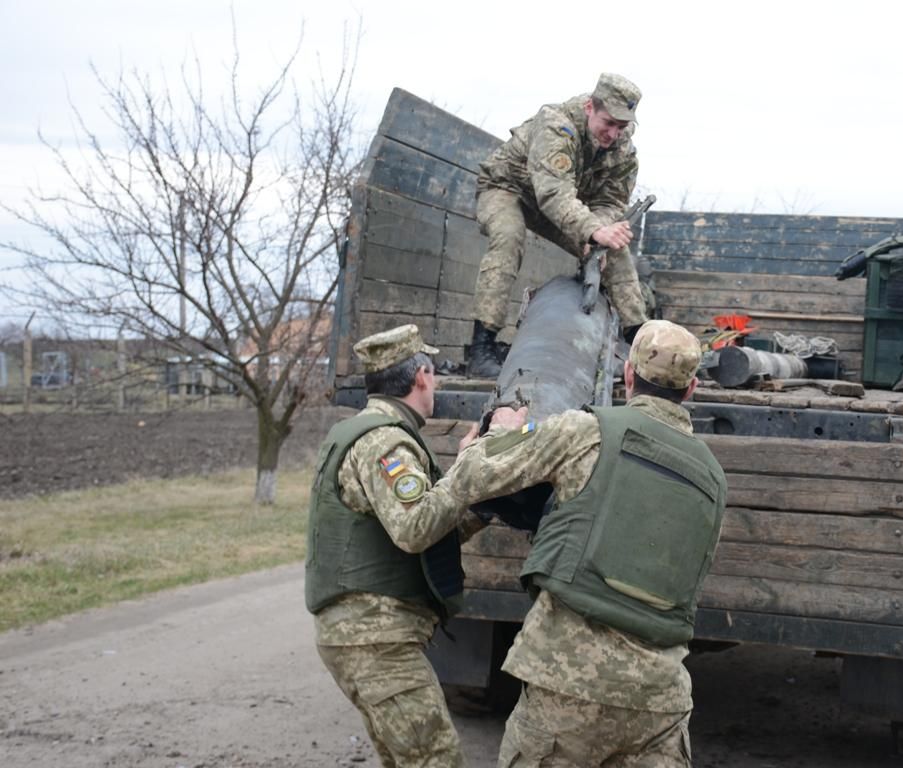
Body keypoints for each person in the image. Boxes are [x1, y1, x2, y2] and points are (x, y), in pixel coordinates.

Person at [428, 319, 728, 766]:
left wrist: (498, 431)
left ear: (628, 374)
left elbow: (474, 478)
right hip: (660, 702)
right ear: (692, 388)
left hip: (565, 688)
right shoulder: (713, 478)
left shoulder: (586, 431)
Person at [304, 324, 484, 768]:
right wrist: (468, 470)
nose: (437, 383)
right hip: (376, 640)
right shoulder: (385, 441)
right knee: (436, 761)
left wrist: (480, 502)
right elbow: (415, 528)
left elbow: (426, 526)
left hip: (365, 636)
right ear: (421, 375)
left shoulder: (366, 430)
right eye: (435, 373)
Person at [467, 72, 650, 378]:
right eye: (608, 123)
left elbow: (612, 202)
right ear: (590, 107)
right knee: (508, 237)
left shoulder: (624, 150)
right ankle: (482, 346)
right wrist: (593, 229)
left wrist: (603, 233)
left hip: (564, 207)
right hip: (509, 189)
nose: (614, 134)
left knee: (615, 249)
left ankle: (643, 345)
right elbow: (553, 193)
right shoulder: (556, 124)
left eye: (622, 126)